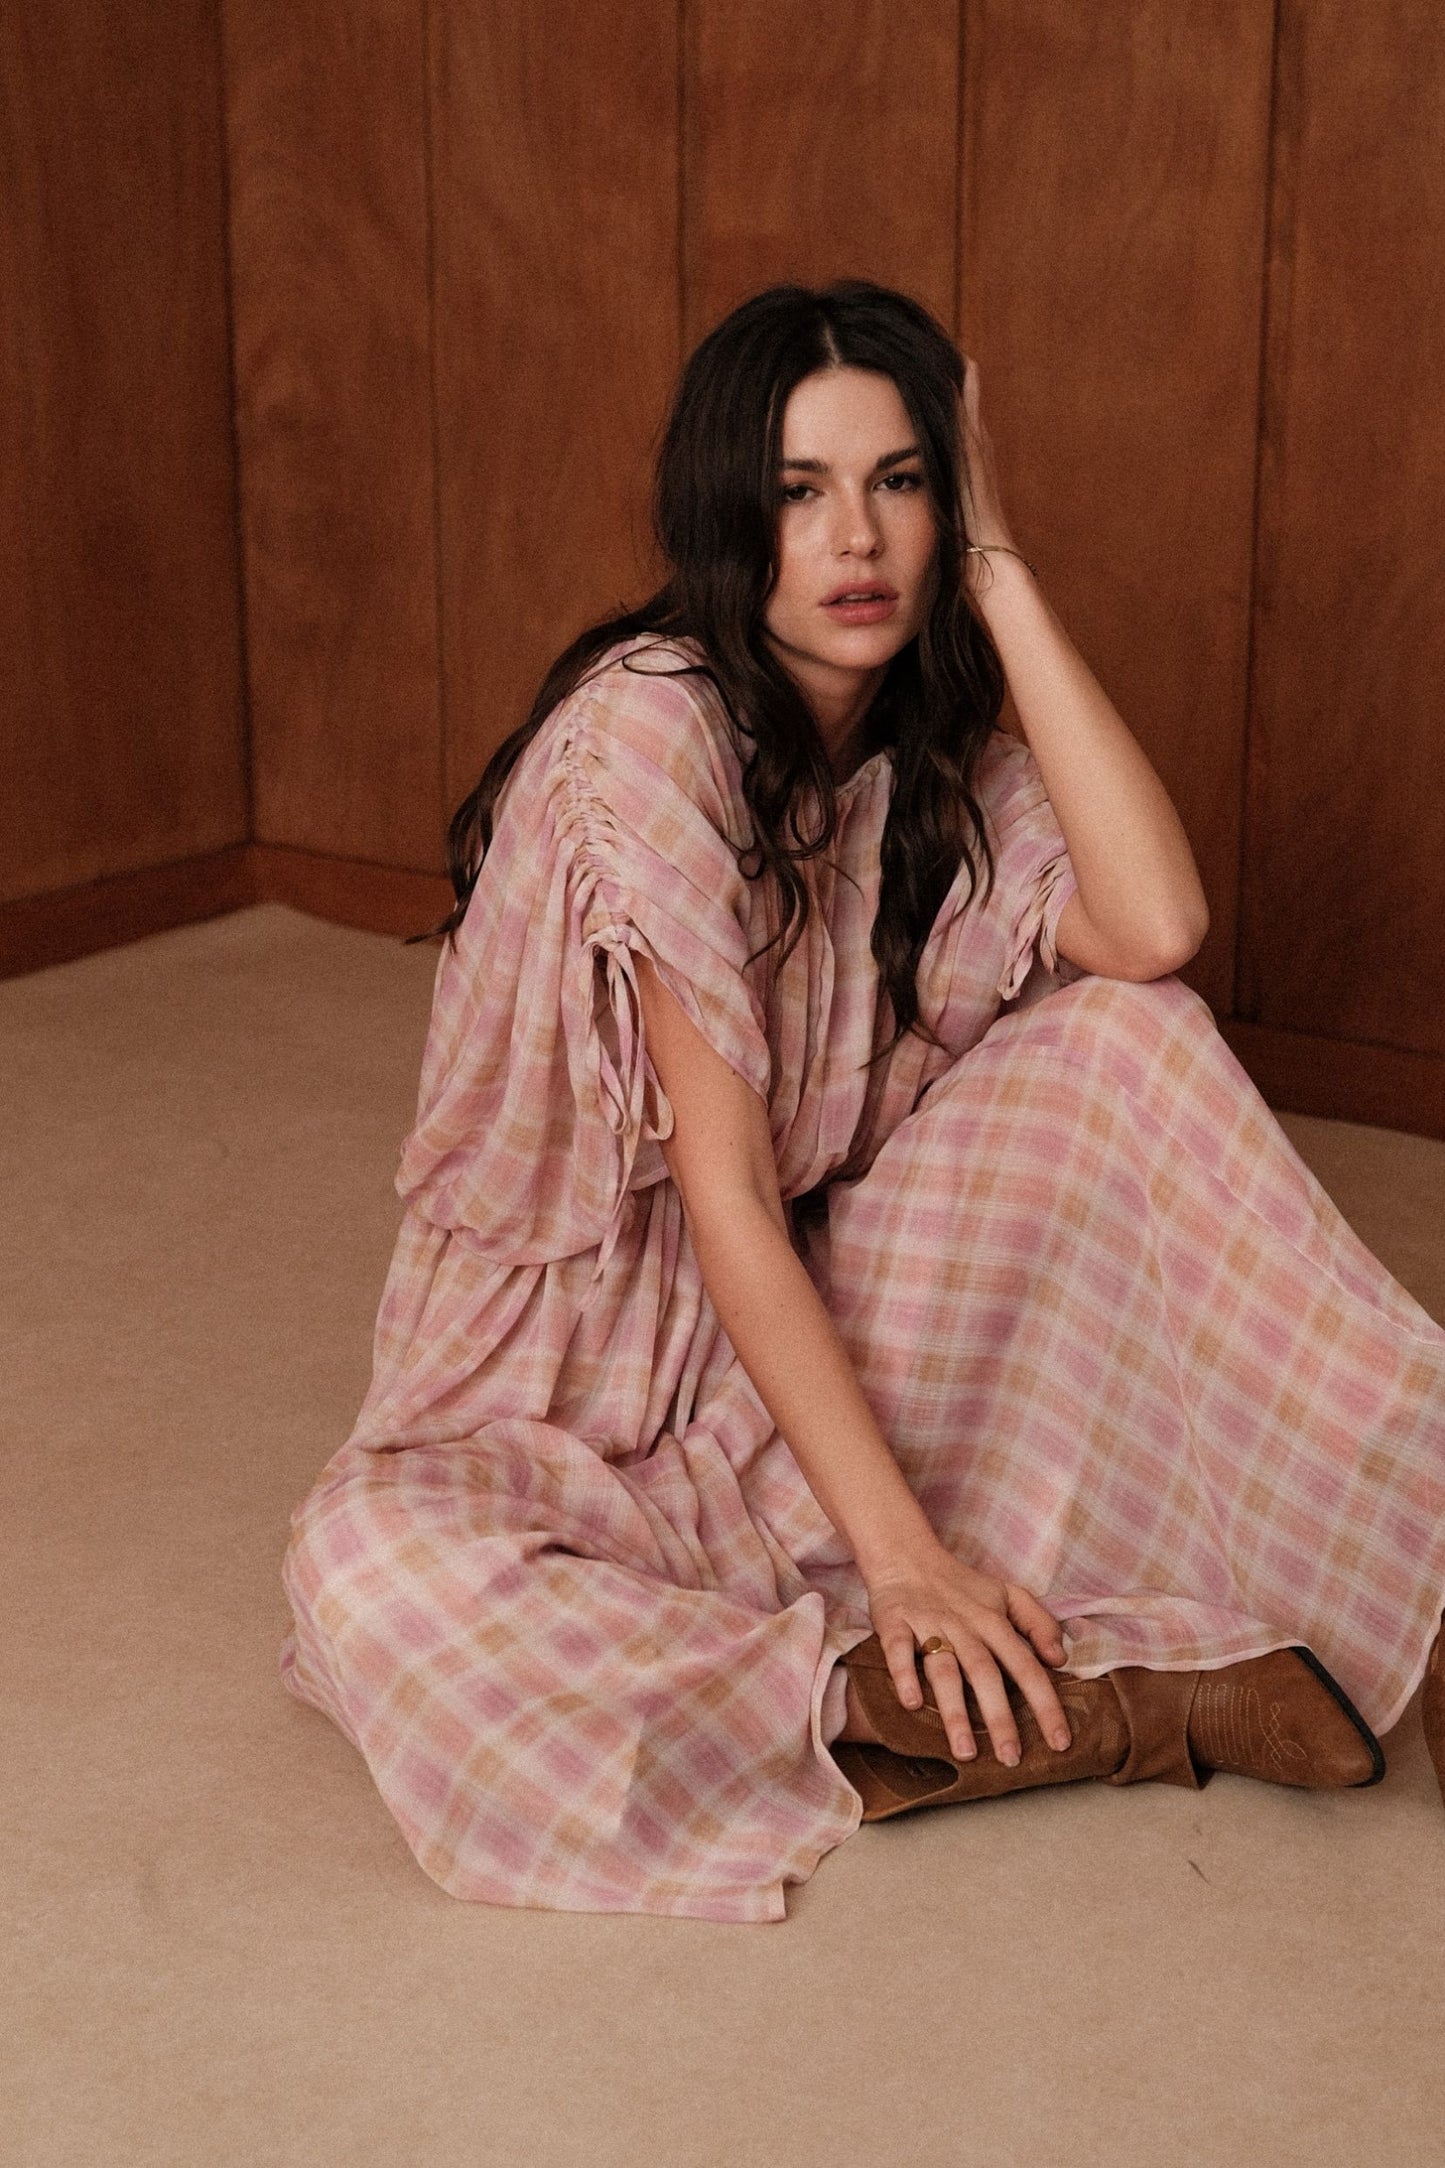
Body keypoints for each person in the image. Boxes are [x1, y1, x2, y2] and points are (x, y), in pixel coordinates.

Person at [280, 280, 1445, 1922]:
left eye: (899, 482)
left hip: (810, 1329)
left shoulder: (933, 747)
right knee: (370, 1574)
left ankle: (1418, 1548)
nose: (855, 540)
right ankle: (1016, 1701)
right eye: (797, 491)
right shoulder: (648, 736)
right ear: (724, 514)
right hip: (570, 1387)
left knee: (1126, 1038)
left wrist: (1000, 566)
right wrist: (901, 1563)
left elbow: (1152, 927)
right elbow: (724, 1203)